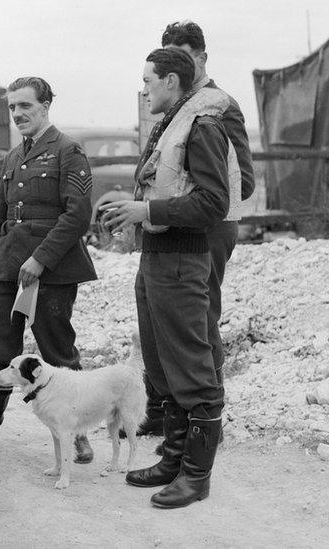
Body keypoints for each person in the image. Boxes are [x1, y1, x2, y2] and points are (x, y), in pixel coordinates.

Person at [101, 48, 234, 508]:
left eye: (149, 81)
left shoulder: (203, 125)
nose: (144, 90)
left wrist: (148, 210)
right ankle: (174, 459)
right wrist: (135, 212)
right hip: (157, 258)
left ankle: (196, 476)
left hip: (182, 261)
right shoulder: (175, 121)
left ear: (172, 81)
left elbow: (214, 203)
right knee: (162, 365)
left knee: (192, 369)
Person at [132, 20, 256, 439]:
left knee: (197, 317)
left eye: (184, 58)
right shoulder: (179, 107)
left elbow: (239, 180)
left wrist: (190, 200)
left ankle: (205, 420)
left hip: (209, 224)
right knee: (156, 313)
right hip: (171, 222)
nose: (176, 69)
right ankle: (168, 411)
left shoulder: (216, 108)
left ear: (202, 59)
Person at [0, 77, 98, 463]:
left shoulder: (68, 151)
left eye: (25, 106)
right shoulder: (9, 158)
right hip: (7, 270)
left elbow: (77, 215)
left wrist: (40, 258)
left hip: (53, 271)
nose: (18, 114)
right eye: (12, 107)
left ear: (45, 106)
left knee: (58, 351)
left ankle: (76, 433)